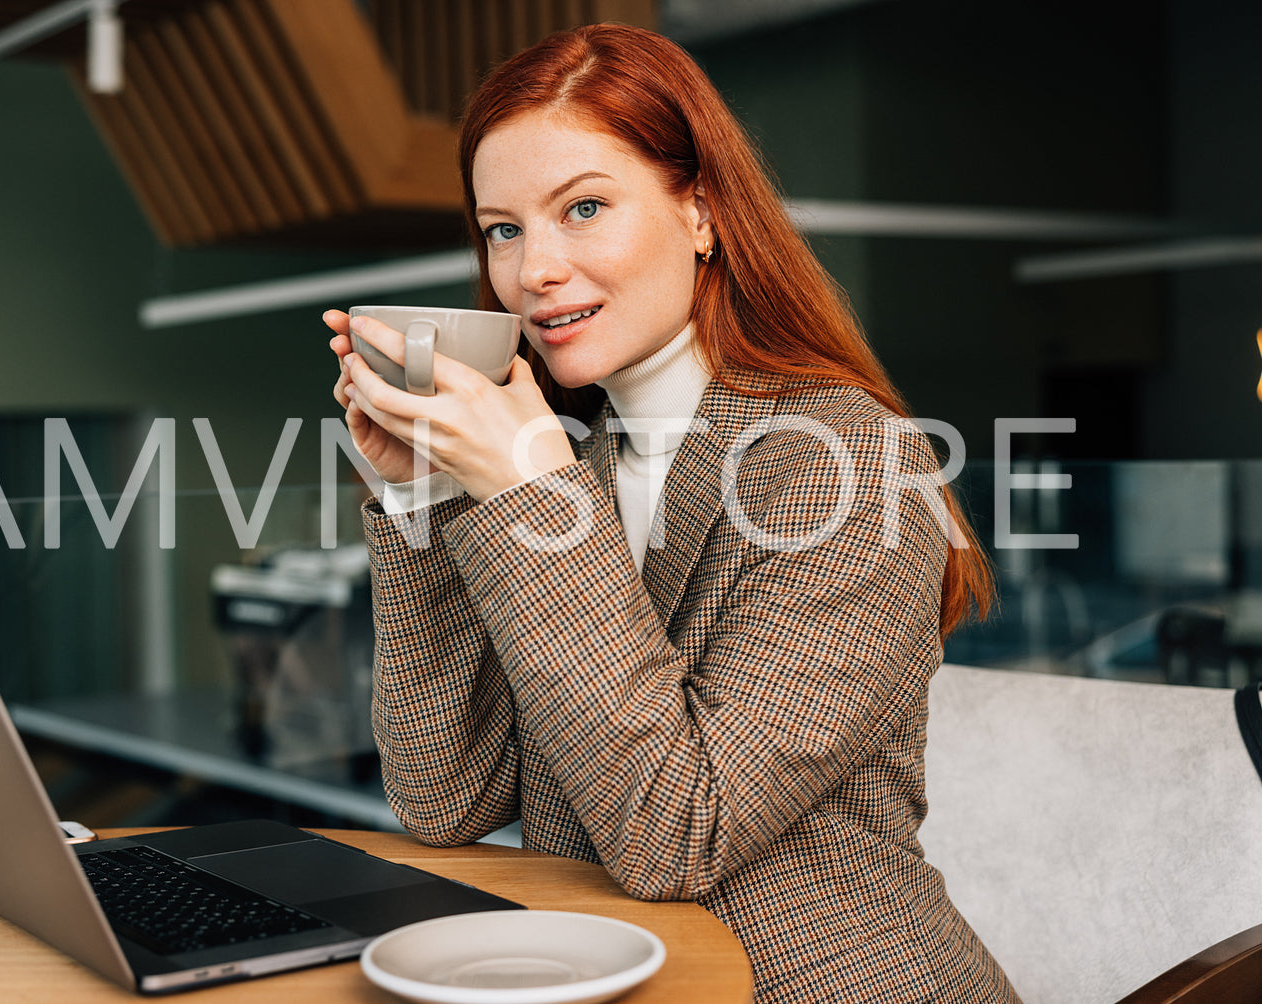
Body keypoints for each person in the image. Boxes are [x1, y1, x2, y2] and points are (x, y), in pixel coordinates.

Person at [324, 23, 1018, 1004]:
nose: (533, 271)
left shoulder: (847, 464)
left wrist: (529, 489)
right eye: (503, 228)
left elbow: (675, 832)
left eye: (583, 207)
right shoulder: (574, 466)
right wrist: (422, 488)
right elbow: (443, 796)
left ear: (698, 212)